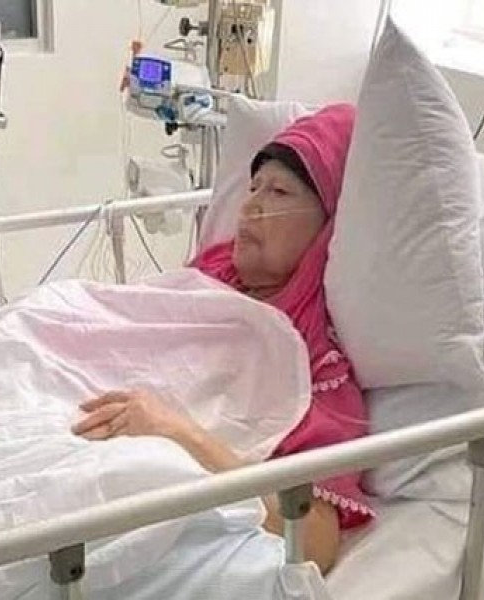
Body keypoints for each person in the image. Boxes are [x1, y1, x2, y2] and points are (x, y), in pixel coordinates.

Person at [72, 104, 373, 574]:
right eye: (253, 188)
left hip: (124, 470)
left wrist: (178, 431)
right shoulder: (205, 278)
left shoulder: (313, 366)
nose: (250, 206)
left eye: (279, 192)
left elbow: (313, 539)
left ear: (328, 225)